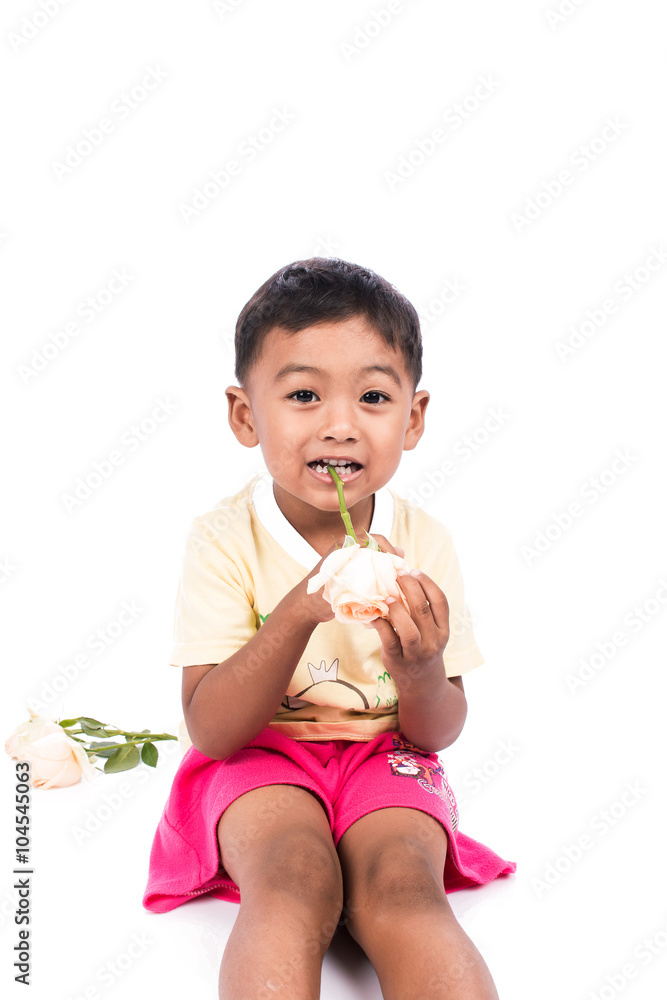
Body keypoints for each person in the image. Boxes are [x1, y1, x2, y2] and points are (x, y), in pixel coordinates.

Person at [142, 257, 516, 999]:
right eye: (304, 395)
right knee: (293, 877)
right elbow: (213, 732)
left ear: (412, 418)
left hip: (385, 756)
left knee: (403, 887)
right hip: (258, 756)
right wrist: (302, 607)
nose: (340, 425)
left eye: (373, 397)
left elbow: (438, 731)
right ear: (246, 416)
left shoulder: (423, 543)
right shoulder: (223, 540)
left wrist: (420, 671)